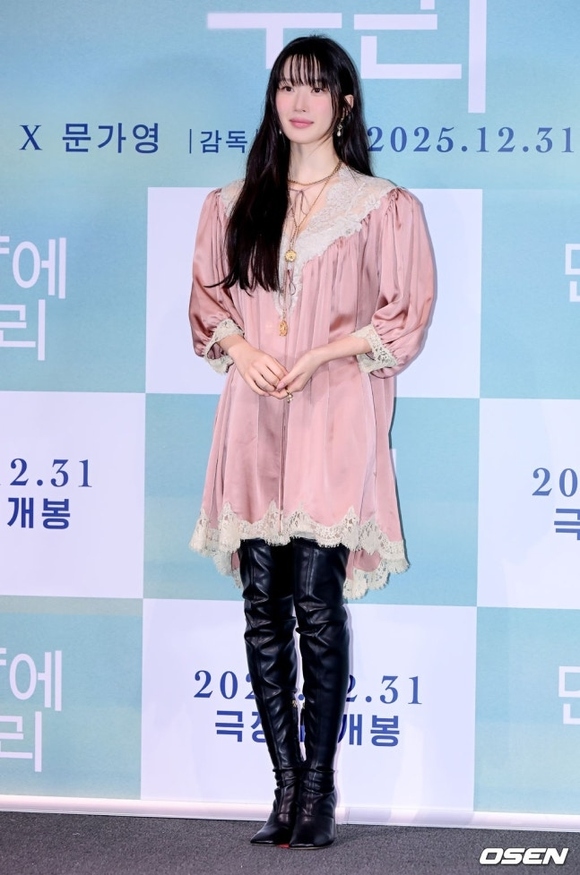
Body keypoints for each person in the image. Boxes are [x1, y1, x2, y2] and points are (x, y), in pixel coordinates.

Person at [189, 35, 434, 849]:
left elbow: (404, 316)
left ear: (344, 102)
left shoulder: (382, 206)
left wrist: (326, 352)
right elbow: (210, 306)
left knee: (316, 602)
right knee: (262, 603)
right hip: (254, 417)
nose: (299, 102)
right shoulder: (232, 203)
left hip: (334, 415)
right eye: (286, 87)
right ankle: (285, 787)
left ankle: (320, 788)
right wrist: (242, 348)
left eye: (315, 88)